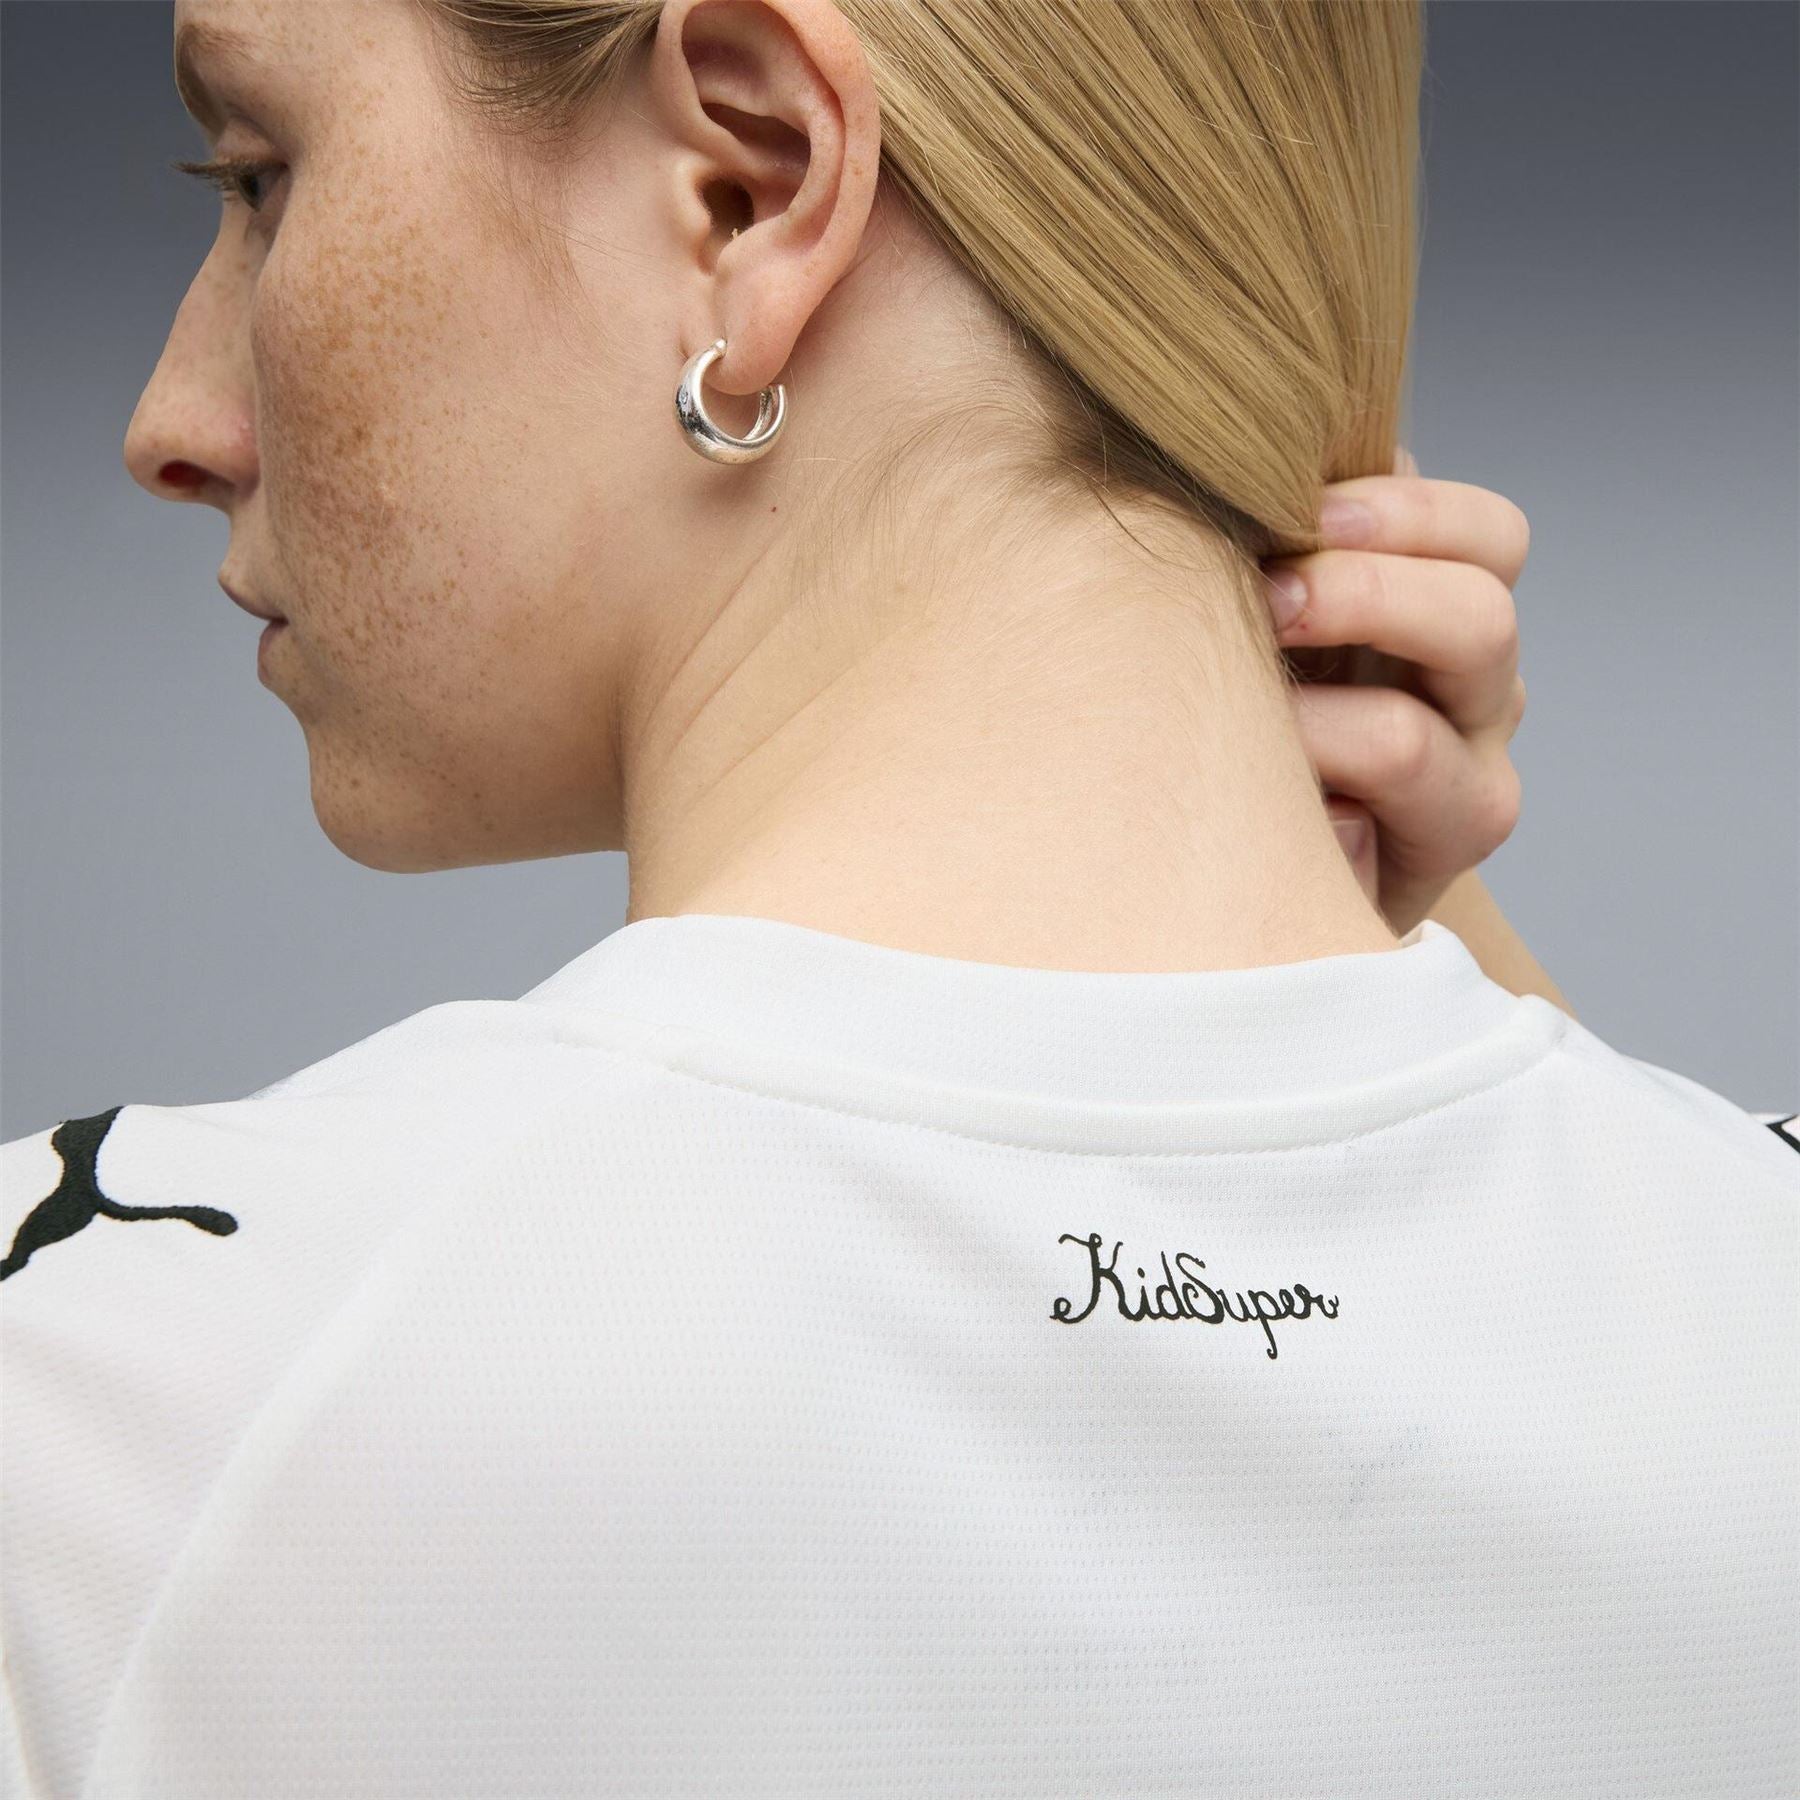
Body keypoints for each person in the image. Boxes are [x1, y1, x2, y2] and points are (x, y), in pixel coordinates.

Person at [2, 0, 1793, 1793]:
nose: (175, 422)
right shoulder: (1739, 1341)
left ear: (753, 181)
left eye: (259, 177)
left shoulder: (94, 1418)